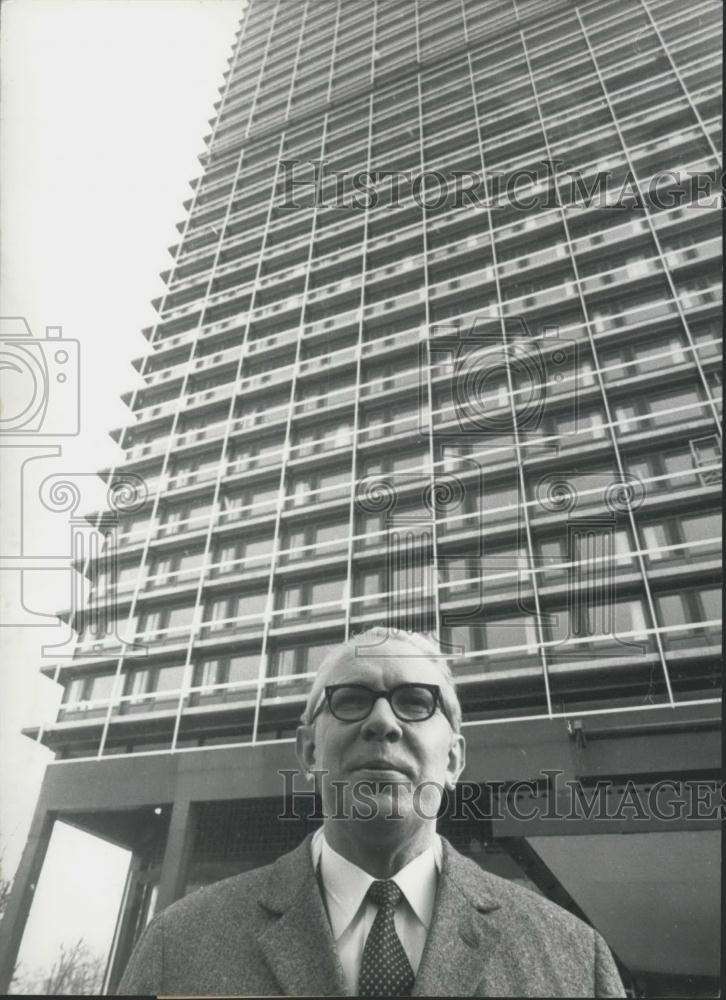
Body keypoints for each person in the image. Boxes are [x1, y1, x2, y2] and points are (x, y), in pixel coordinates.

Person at [118, 627, 625, 997]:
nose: (382, 722)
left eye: (415, 701)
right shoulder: (178, 943)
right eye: (352, 700)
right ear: (309, 751)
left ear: (453, 759)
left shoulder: (578, 959)